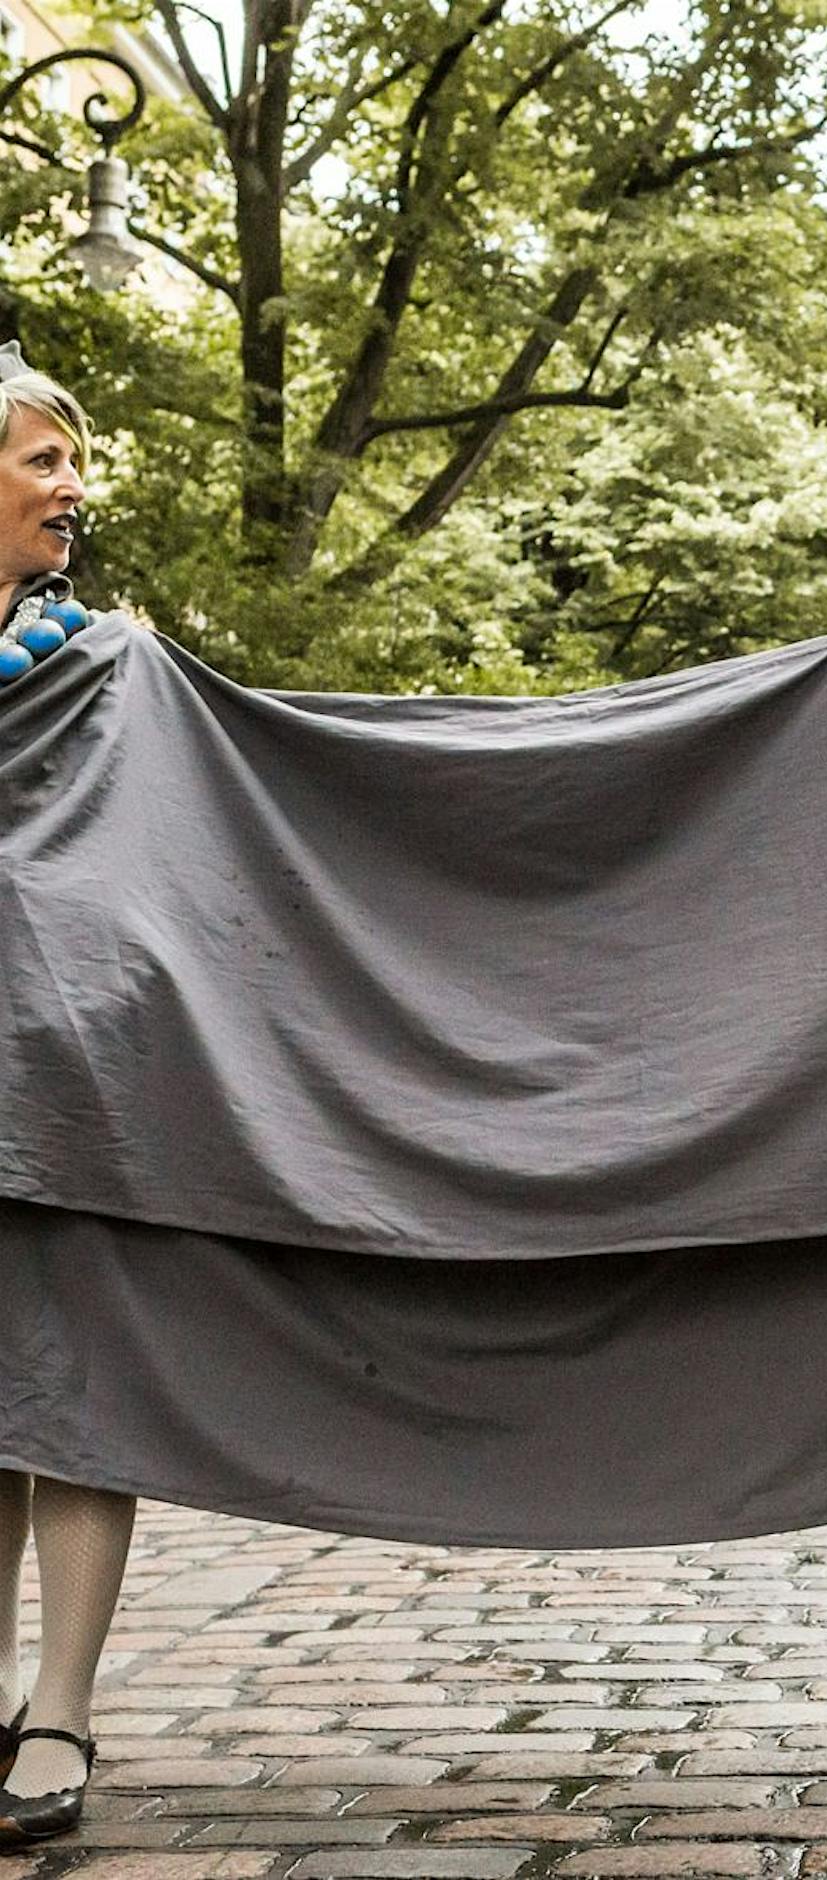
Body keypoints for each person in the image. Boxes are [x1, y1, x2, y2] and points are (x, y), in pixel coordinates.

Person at [0, 340, 139, 1847]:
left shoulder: (98, 666)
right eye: (46, 459)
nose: (73, 489)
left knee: (81, 1398)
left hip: (70, 1075)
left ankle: (63, 1713)